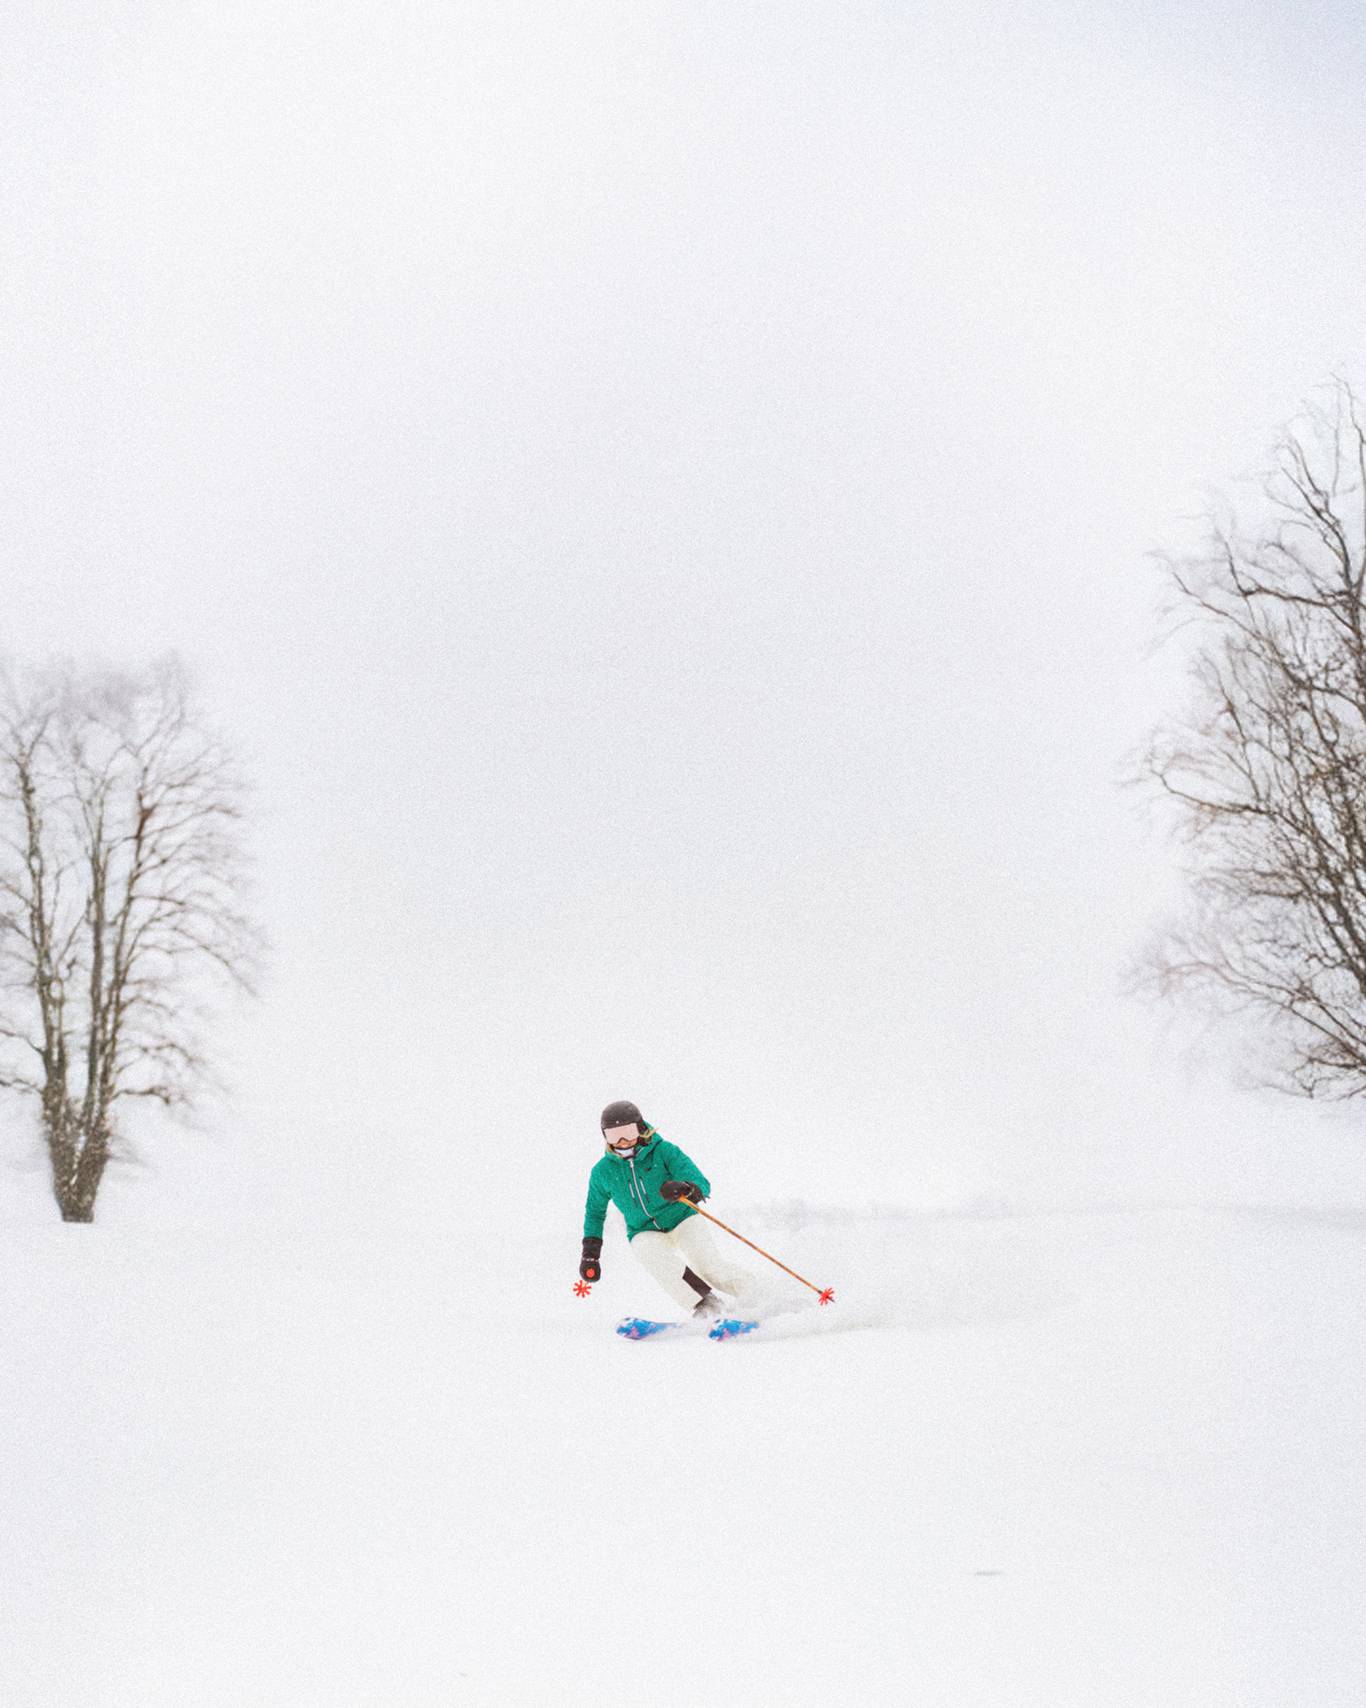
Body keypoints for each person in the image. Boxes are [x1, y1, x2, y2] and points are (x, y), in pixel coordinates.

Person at [579, 1099, 756, 1319]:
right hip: (643, 1229)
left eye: (628, 1132)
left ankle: (759, 1295)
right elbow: (595, 1212)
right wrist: (591, 1253)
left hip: (682, 1218)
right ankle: (705, 1304)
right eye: (614, 1136)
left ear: (641, 1127)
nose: (623, 1141)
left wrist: (686, 1188)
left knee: (710, 1267)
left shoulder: (663, 1151)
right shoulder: (602, 1172)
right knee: (655, 1259)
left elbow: (700, 1181)